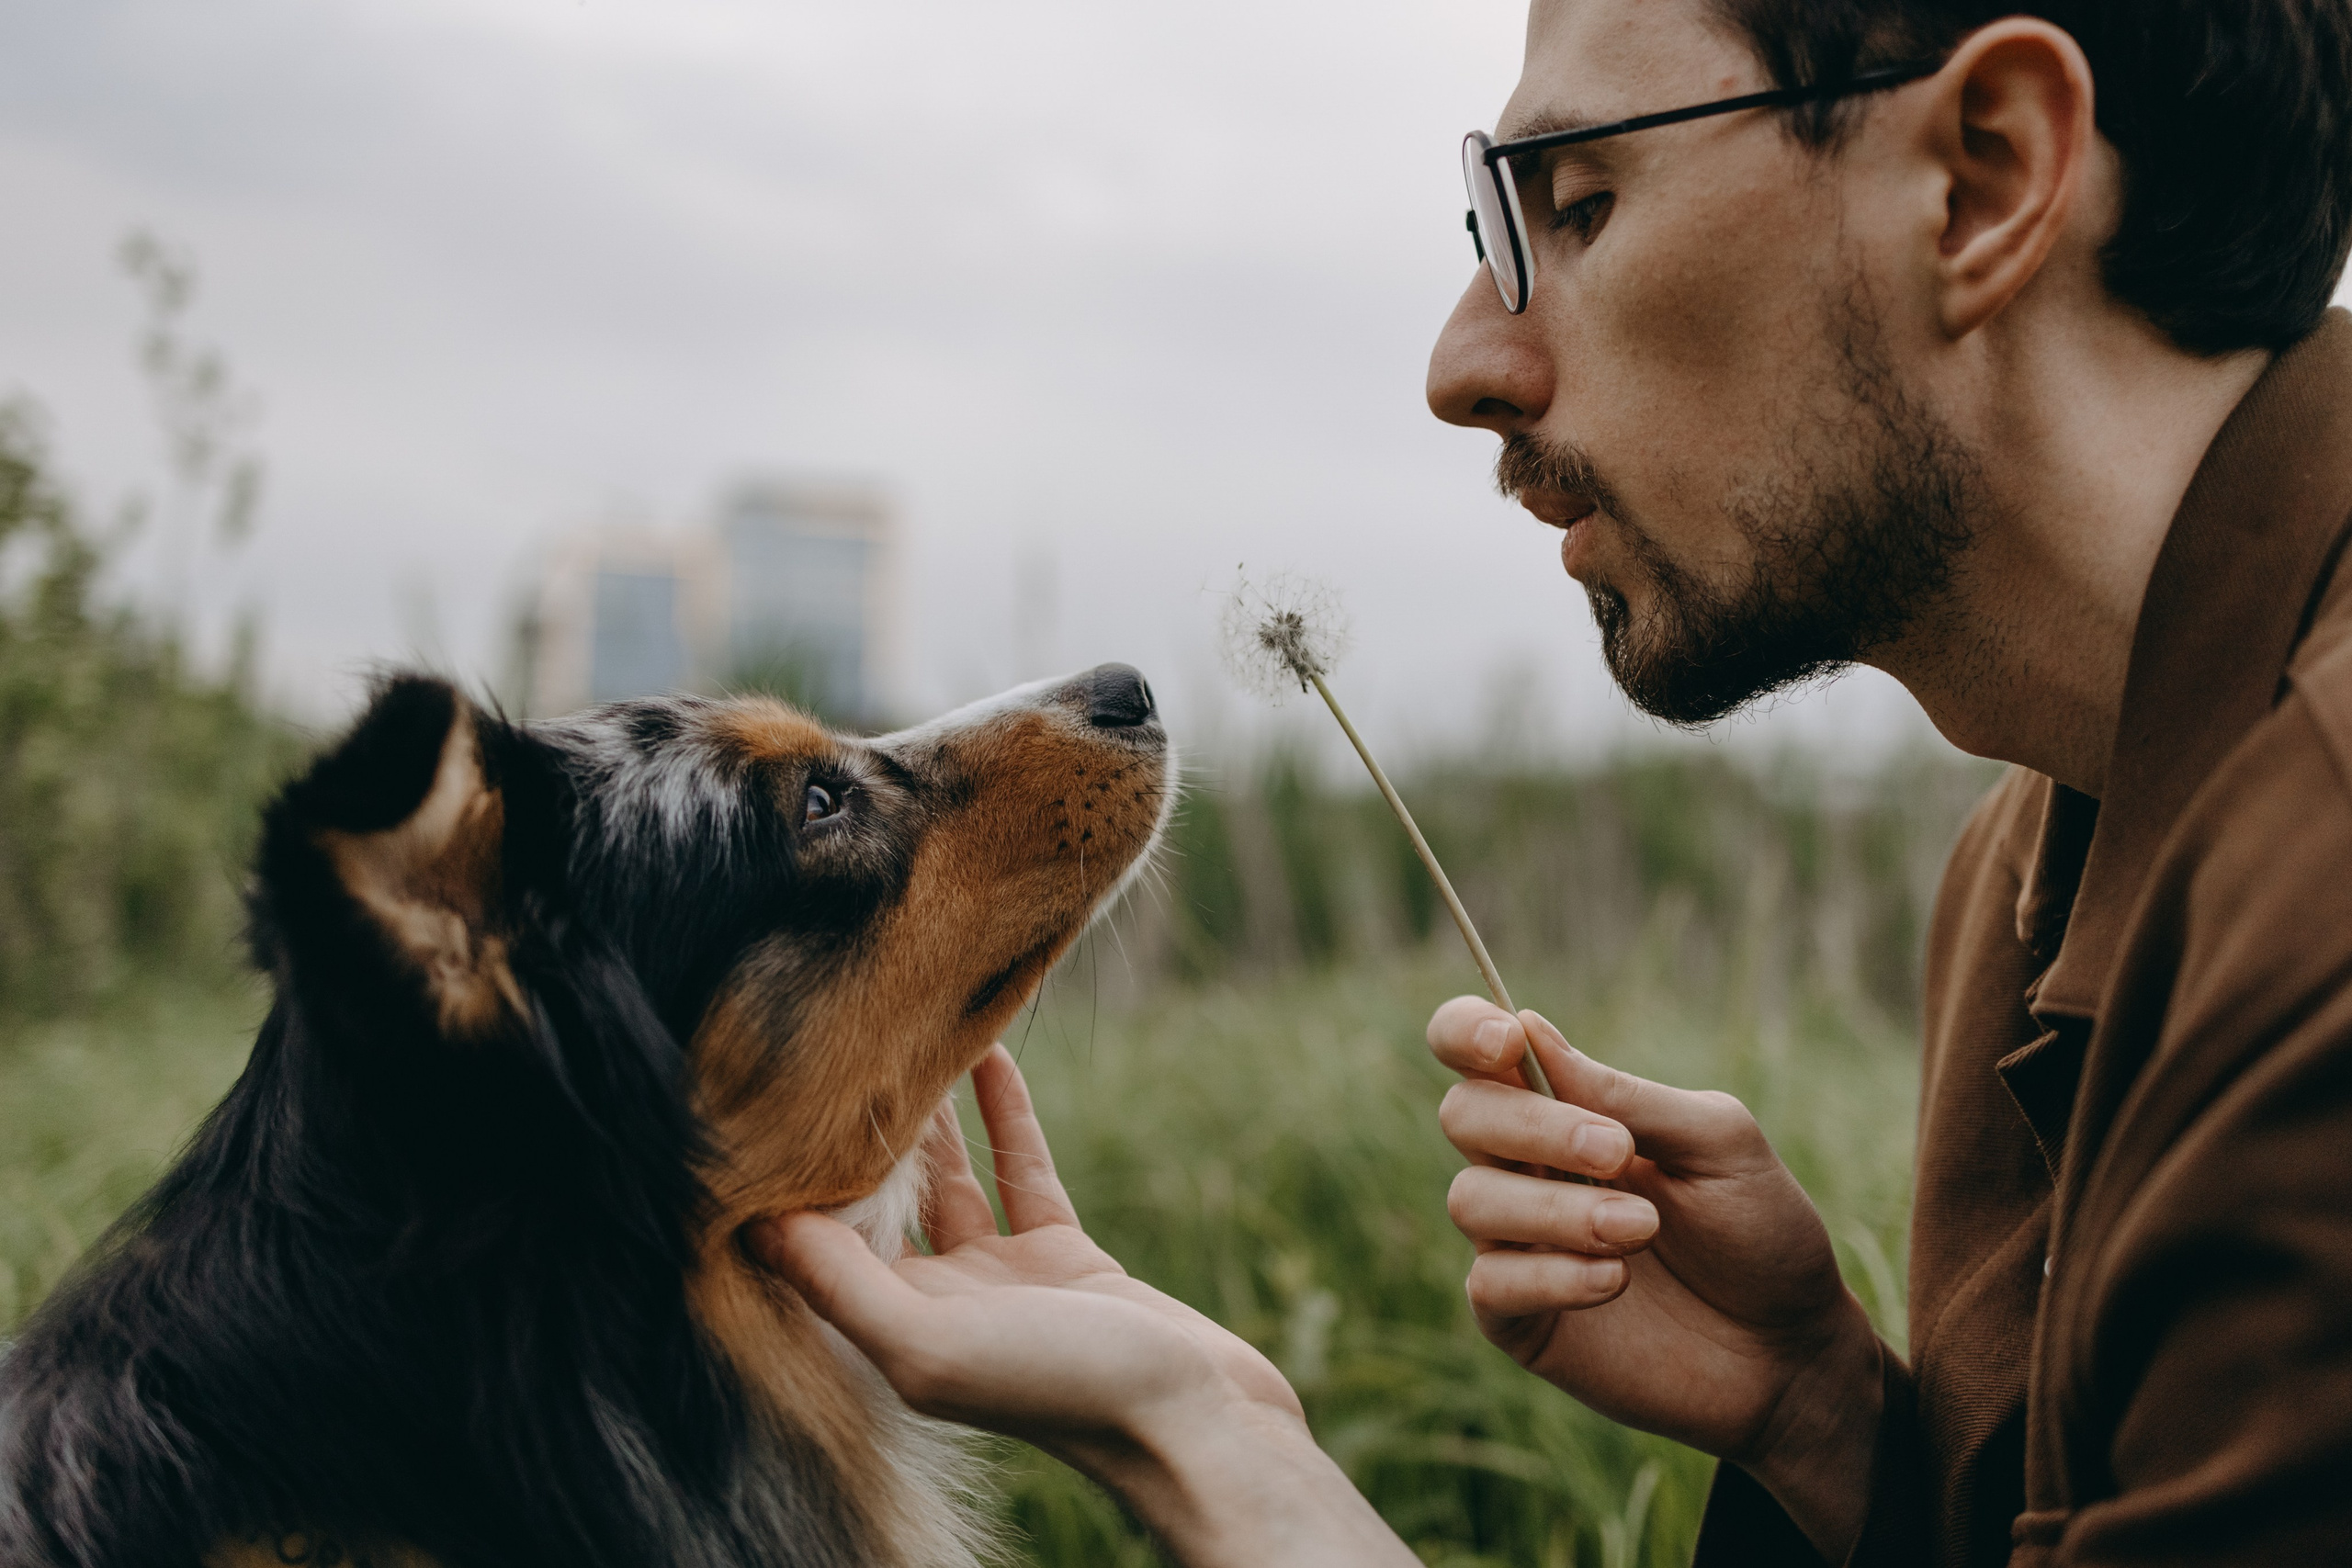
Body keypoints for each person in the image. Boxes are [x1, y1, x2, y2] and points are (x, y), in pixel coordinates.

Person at [756, 0, 2352, 1561]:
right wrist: (1823, 1419)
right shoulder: (2038, 858)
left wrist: (1224, 1457)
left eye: (1580, 204)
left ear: (1987, 177)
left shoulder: (2319, 904)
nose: (1465, 362)